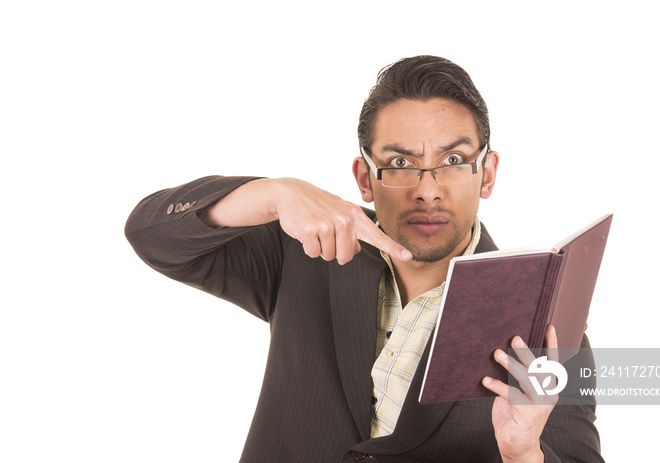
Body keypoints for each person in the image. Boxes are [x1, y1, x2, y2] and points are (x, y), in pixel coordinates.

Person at [125, 55, 603, 462]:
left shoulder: (548, 326)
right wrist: (274, 193)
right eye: (399, 164)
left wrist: (523, 453)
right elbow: (151, 234)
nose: (428, 191)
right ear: (363, 177)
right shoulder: (305, 249)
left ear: (488, 174)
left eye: (454, 161)